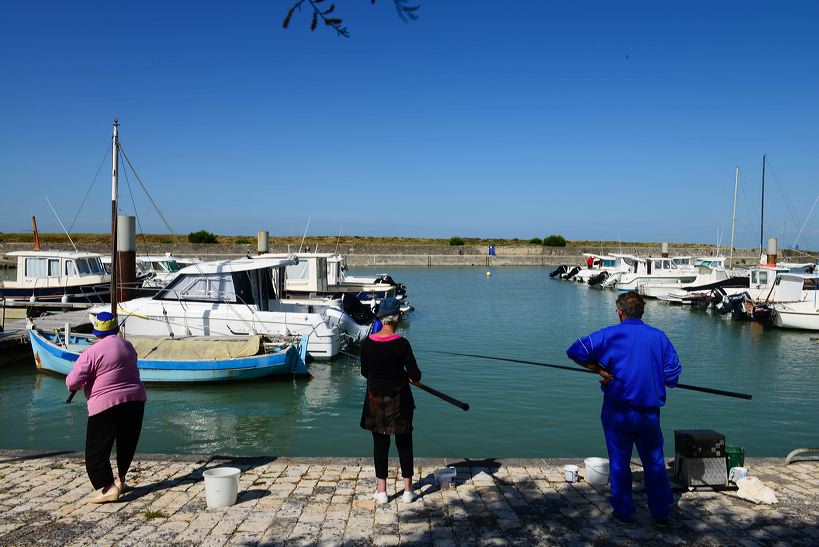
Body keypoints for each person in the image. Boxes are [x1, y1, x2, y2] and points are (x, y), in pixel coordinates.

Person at [566, 291, 681, 524]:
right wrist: (653, 374)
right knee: (655, 462)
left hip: (617, 411)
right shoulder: (659, 337)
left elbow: (575, 350)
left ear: (619, 312)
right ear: (642, 312)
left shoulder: (610, 335)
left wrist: (600, 369)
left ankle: (624, 511)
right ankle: (660, 511)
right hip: (649, 414)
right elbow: (672, 374)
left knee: (619, 462)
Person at [66, 311, 147, 503]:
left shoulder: (92, 352)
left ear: (96, 332)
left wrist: (76, 384)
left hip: (105, 405)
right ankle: (120, 480)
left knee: (97, 449)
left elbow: (73, 381)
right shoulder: (128, 345)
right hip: (135, 400)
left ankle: (108, 487)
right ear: (116, 329)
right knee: (126, 443)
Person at [359, 297, 422, 504]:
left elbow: (365, 372)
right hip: (400, 400)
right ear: (396, 319)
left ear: (381, 319)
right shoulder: (403, 344)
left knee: (380, 443)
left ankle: (382, 490)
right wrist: (404, 376)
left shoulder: (367, 343)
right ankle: (407, 491)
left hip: (376, 400)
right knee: (404, 443)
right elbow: (415, 376)